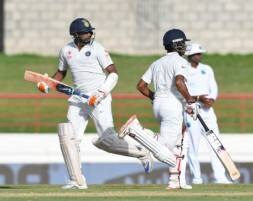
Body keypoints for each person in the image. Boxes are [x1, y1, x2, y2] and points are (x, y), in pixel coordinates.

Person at [37, 18, 153, 189]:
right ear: (75, 35)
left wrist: (100, 93)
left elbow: (113, 74)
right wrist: (47, 84)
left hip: (99, 98)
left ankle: (142, 152)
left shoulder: (97, 48)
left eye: (90, 32)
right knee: (70, 138)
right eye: (85, 32)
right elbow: (61, 73)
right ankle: (77, 180)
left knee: (107, 140)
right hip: (78, 100)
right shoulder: (66, 50)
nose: (89, 34)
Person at [119, 29, 199, 189]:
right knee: (166, 147)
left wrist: (155, 97)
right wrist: (190, 100)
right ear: (176, 45)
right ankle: (136, 130)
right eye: (183, 43)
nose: (185, 46)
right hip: (172, 106)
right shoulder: (180, 62)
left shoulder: (157, 63)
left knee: (179, 144)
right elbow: (179, 82)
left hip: (158, 104)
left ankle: (175, 181)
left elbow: (141, 86)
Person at [184, 43, 231, 184]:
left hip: (208, 111)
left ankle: (220, 177)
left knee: (216, 143)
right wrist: (199, 98)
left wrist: (211, 99)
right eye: (197, 54)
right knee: (193, 146)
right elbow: (182, 91)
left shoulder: (207, 69)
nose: (200, 56)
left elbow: (213, 87)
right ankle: (196, 178)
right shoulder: (183, 70)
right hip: (192, 112)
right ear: (191, 55)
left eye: (200, 54)